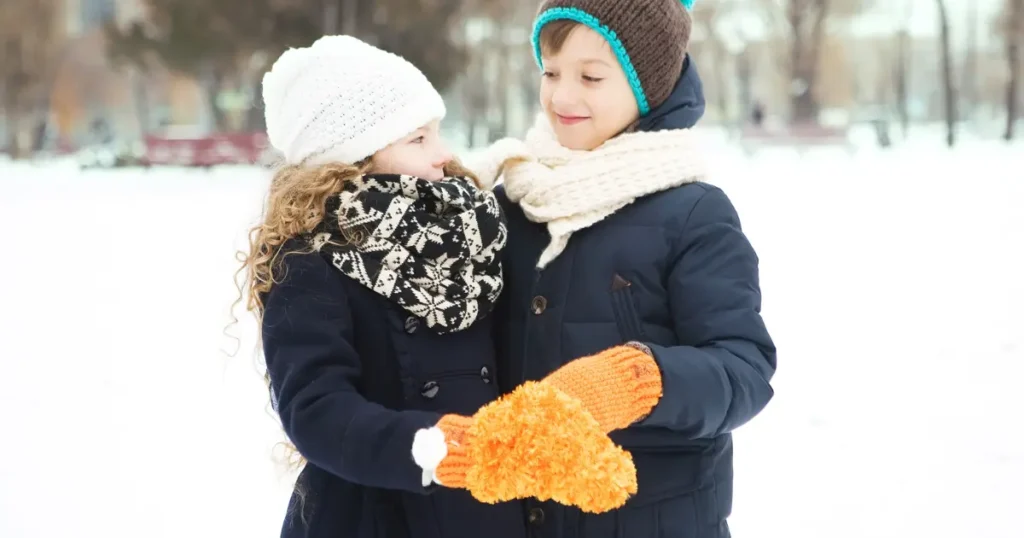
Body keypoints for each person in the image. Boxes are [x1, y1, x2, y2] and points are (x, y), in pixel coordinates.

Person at [240, 35, 638, 538]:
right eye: (418, 139)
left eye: (437, 133)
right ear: (353, 157)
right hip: (376, 514)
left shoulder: (467, 234)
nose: (442, 154)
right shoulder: (311, 261)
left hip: (484, 510)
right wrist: (436, 448)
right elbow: (317, 411)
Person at [470, 1, 777, 536]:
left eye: (591, 76)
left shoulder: (691, 213)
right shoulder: (513, 200)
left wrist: (640, 379)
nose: (563, 95)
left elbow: (743, 369)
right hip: (518, 516)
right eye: (550, 72)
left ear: (648, 87)